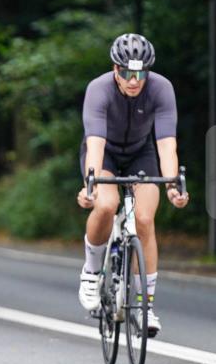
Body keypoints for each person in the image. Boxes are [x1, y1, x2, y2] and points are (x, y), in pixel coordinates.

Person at [77, 34, 189, 337]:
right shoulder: (98, 90)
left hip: (143, 153)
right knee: (106, 204)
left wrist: (172, 188)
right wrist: (91, 185)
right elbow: (95, 143)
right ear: (115, 68)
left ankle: (146, 304)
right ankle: (91, 272)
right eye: (126, 73)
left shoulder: (161, 88)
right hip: (106, 153)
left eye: (140, 73)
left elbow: (166, 144)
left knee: (144, 219)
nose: (134, 80)